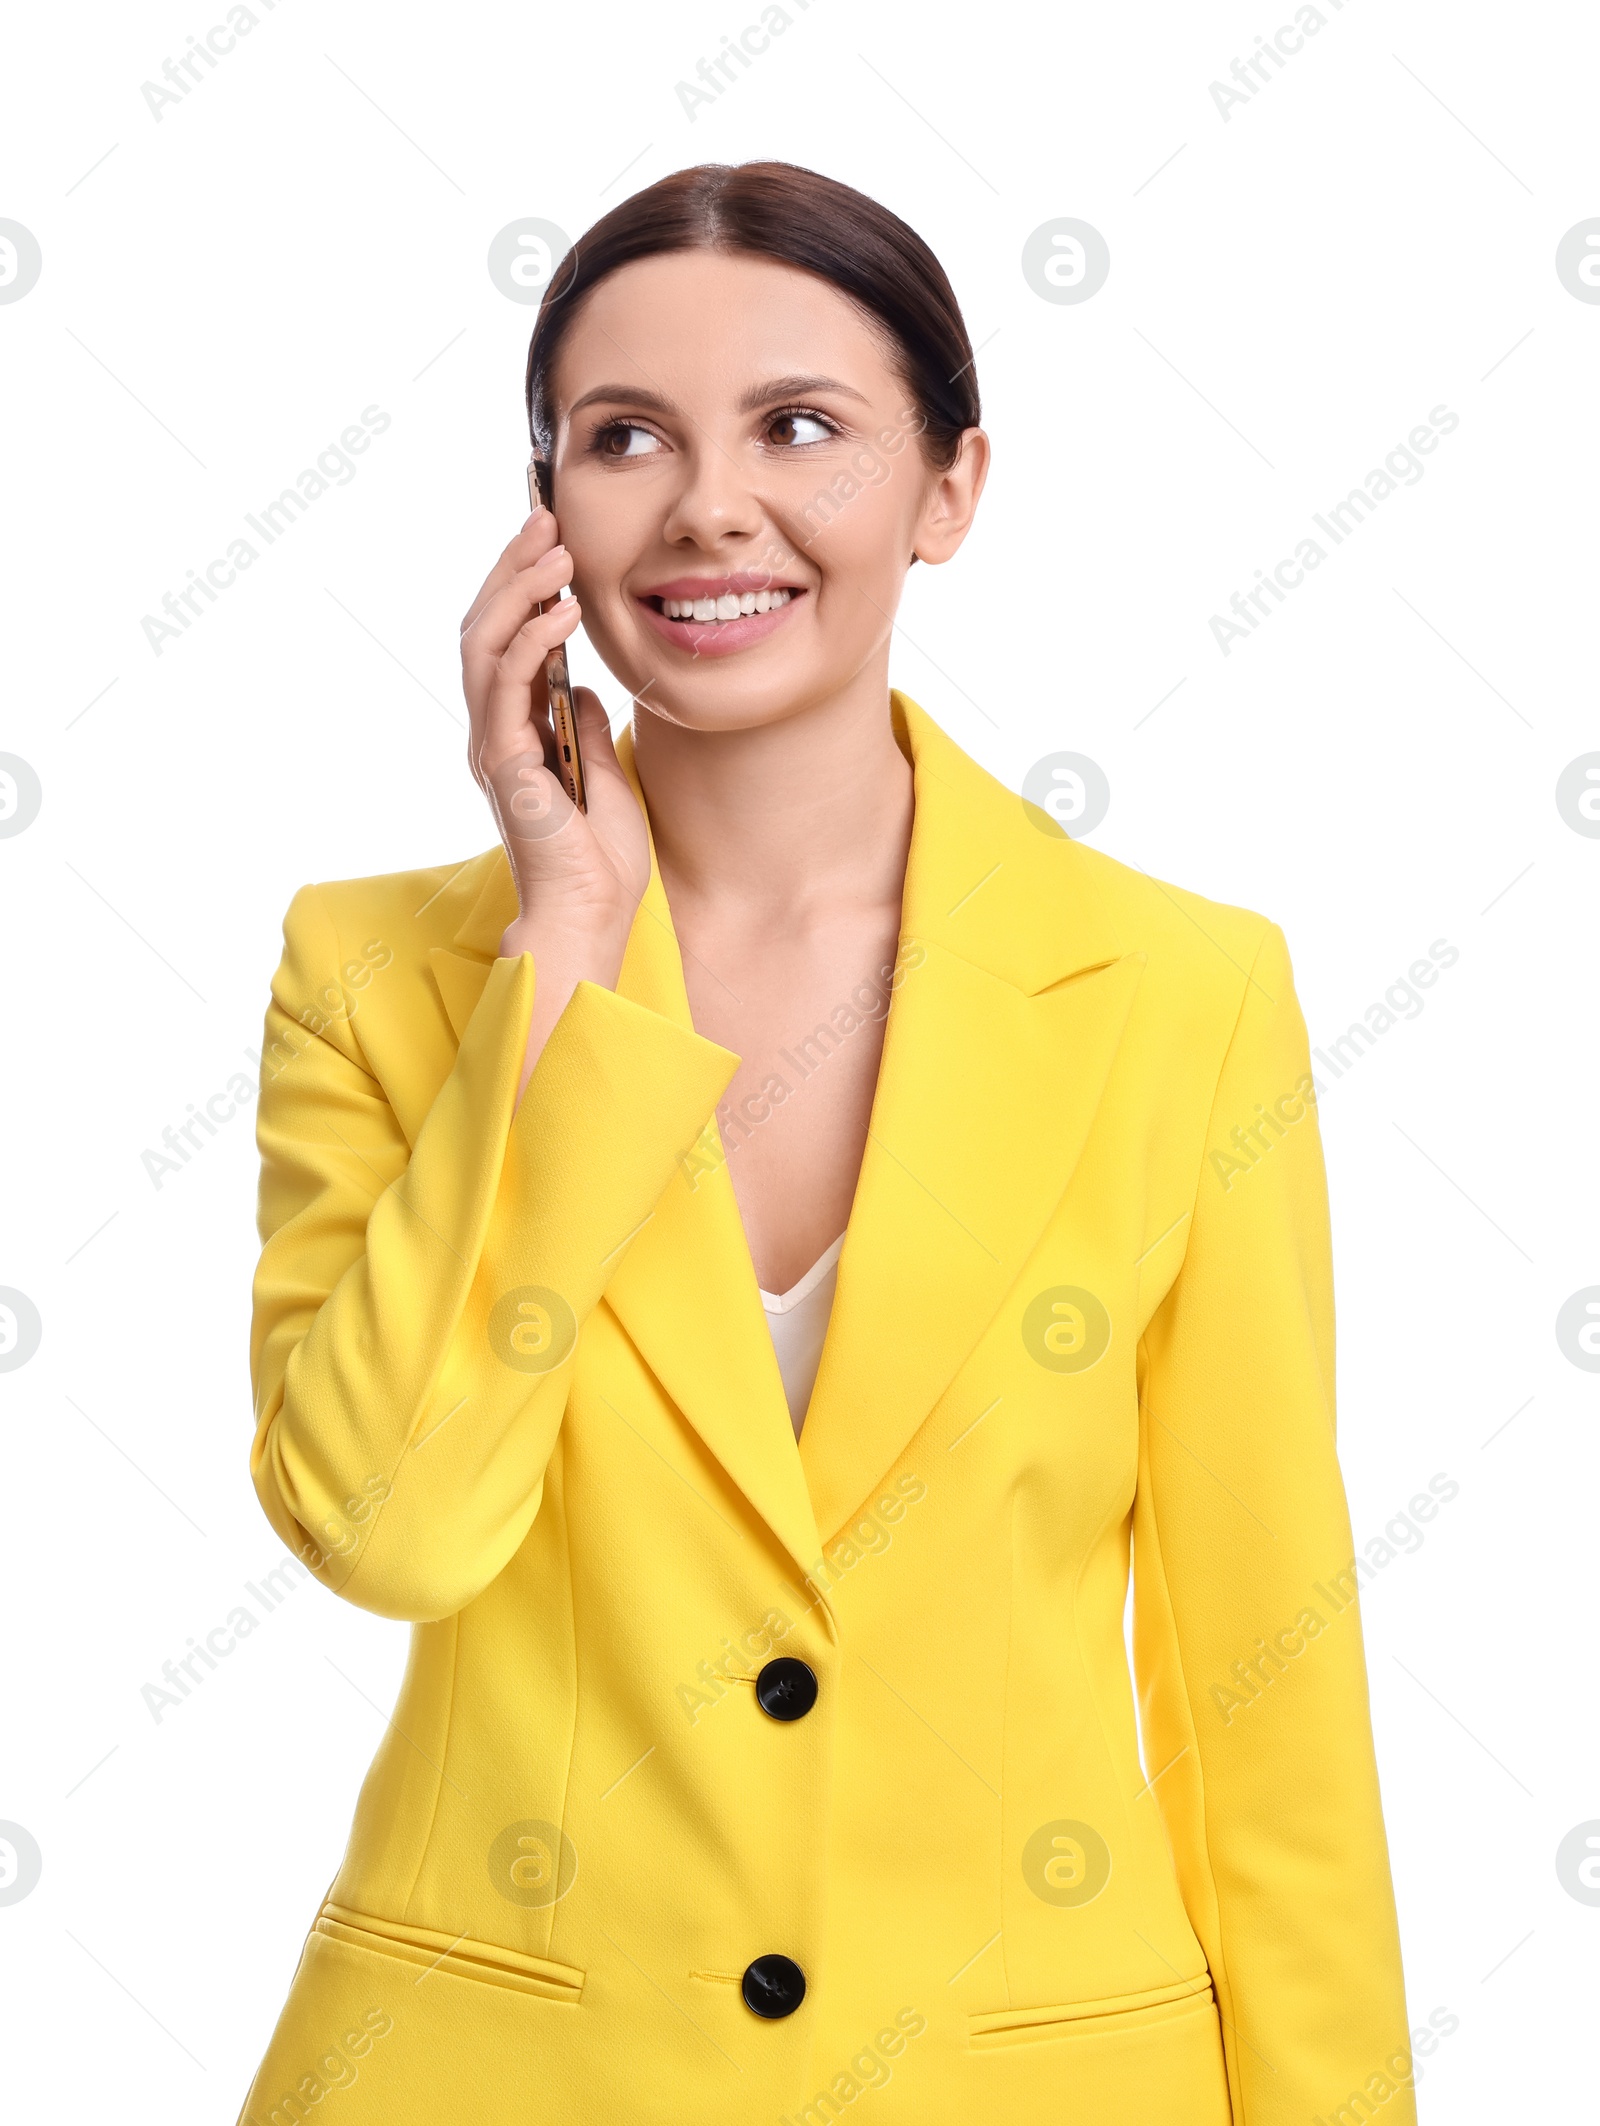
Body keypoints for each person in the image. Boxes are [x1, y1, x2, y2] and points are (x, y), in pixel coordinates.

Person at [238, 161, 1413, 2126]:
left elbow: (1258, 1694)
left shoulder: (1177, 993)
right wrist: (564, 960)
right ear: (547, 514)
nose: (707, 505)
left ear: (947, 489)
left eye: (801, 428)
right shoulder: (377, 975)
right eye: (623, 439)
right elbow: (389, 1526)